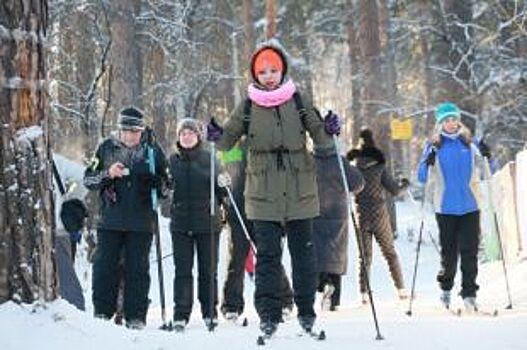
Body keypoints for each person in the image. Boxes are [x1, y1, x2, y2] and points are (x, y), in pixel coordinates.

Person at [206, 40, 341, 336]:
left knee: (303, 254)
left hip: (299, 187)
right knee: (267, 256)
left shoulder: (297, 100)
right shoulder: (249, 105)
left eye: (273, 70)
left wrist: (329, 127)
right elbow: (227, 139)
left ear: (282, 71)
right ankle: (268, 315)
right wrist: (217, 134)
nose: (268, 75)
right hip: (262, 190)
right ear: (255, 74)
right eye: (263, 71)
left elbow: (322, 138)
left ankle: (306, 312)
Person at [83, 107, 169, 329]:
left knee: (137, 270)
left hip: (141, 222)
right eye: (126, 130)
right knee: (104, 267)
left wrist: (157, 184)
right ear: (119, 130)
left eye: (135, 131)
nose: (130, 136)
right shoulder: (106, 148)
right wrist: (107, 174)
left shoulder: (152, 150)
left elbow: (169, 184)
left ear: (142, 131)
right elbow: (89, 179)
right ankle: (102, 314)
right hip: (110, 221)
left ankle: (136, 317)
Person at [417, 102, 487, 311]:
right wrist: (427, 161)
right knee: (449, 255)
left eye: (454, 119)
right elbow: (422, 178)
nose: (451, 123)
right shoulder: (434, 146)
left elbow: (487, 169)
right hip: (445, 208)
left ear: (458, 121)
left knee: (470, 252)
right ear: (440, 124)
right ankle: (446, 288)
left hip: (470, 206)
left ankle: (469, 294)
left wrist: (486, 155)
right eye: (446, 120)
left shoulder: (469, 144)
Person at [219, 141, 294, 321]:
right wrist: (221, 180)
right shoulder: (234, 148)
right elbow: (222, 170)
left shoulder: (269, 146)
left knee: (267, 256)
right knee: (237, 259)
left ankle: (284, 300)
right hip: (238, 211)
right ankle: (231, 305)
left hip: (263, 211)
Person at [168, 118, 227, 331]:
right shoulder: (172, 161)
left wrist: (224, 183)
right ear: (178, 137)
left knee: (208, 270)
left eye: (190, 133)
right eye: (183, 133)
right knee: (183, 270)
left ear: (198, 136)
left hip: (208, 223)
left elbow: (223, 190)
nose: (186, 136)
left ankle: (209, 312)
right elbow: (165, 188)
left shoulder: (211, 159)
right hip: (181, 223)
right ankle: (180, 314)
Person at [347, 128, 409, 303]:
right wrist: (405, 184)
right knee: (390, 252)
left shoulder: (354, 169)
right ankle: (401, 290)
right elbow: (395, 191)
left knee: (365, 257)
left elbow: (349, 189)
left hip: (361, 215)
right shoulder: (379, 167)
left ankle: (364, 294)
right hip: (379, 214)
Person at [313, 143, 364, 311]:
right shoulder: (339, 162)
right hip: (337, 214)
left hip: (315, 212)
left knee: (317, 254)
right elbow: (358, 183)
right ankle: (333, 301)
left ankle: (323, 283)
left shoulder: (309, 160)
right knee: (335, 254)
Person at [52, 153, 88, 311]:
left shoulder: (54, 161)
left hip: (56, 232)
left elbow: (85, 176)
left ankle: (76, 318)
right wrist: (71, 197)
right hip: (57, 232)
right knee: (66, 282)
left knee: (66, 283)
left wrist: (69, 199)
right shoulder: (54, 160)